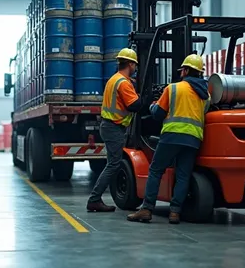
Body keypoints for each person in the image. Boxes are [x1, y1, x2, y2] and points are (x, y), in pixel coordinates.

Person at [127, 53, 210, 224]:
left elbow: (158, 114)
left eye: (182, 70)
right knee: (183, 175)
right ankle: (175, 212)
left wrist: (152, 105)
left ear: (186, 70)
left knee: (156, 170)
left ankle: (147, 209)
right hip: (193, 139)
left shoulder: (173, 88)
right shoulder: (205, 95)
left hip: (172, 135)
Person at [87, 48, 144, 212]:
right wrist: (145, 99)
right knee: (114, 164)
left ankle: (95, 199)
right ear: (131, 64)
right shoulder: (123, 83)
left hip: (110, 126)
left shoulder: (115, 79)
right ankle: (94, 199)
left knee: (113, 163)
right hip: (114, 127)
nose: (135, 69)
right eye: (135, 65)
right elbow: (134, 105)